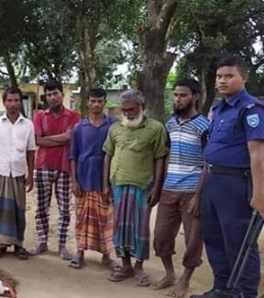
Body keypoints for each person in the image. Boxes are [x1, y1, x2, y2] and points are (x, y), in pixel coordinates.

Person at [191, 56, 264, 298]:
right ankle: (222, 289)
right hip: (213, 181)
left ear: (244, 78)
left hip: (236, 185)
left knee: (239, 243)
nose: (222, 81)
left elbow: (258, 155)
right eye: (219, 76)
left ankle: (244, 293)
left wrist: (259, 193)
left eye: (229, 76)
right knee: (214, 239)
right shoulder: (218, 108)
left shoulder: (251, 109)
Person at [103, 89, 168, 287]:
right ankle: (125, 265)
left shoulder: (156, 128)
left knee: (140, 228)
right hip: (118, 184)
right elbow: (108, 155)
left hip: (142, 186)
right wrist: (105, 184)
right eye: (125, 110)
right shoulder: (115, 128)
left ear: (142, 107)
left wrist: (156, 188)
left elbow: (159, 159)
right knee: (120, 227)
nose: (128, 113)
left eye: (132, 109)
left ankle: (139, 267)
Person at [152, 79, 209, 297]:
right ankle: (169, 274)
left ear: (195, 96)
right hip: (169, 189)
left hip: (192, 191)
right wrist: (159, 187)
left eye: (183, 95)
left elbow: (208, 163)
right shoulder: (170, 124)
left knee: (193, 239)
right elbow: (166, 156)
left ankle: (185, 280)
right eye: (175, 95)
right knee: (160, 237)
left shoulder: (204, 126)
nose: (177, 99)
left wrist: (198, 196)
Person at [31, 80, 80, 259]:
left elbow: (71, 137)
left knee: (64, 208)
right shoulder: (39, 116)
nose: (52, 98)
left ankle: (62, 245)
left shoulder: (74, 116)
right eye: (49, 95)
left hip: (64, 165)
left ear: (62, 94)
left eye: (55, 94)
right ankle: (42, 242)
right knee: (41, 208)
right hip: (42, 165)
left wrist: (48, 139)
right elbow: (37, 141)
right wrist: (62, 138)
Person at [69, 88, 116, 269]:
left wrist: (109, 183)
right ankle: (79, 253)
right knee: (82, 218)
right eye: (93, 101)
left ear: (105, 102)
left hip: (104, 181)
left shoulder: (113, 126)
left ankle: (107, 256)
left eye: (100, 101)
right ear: (87, 102)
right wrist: (74, 181)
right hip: (83, 180)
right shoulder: (79, 128)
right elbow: (73, 155)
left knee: (105, 219)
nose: (96, 105)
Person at [0, 86, 37, 260]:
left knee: (18, 210)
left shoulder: (28, 125)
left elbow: (31, 151)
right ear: (4, 102)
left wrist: (30, 175)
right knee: (0, 209)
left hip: (18, 173)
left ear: (20, 102)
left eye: (16, 100)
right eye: (9, 100)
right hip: (0, 171)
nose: (13, 104)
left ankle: (18, 245)